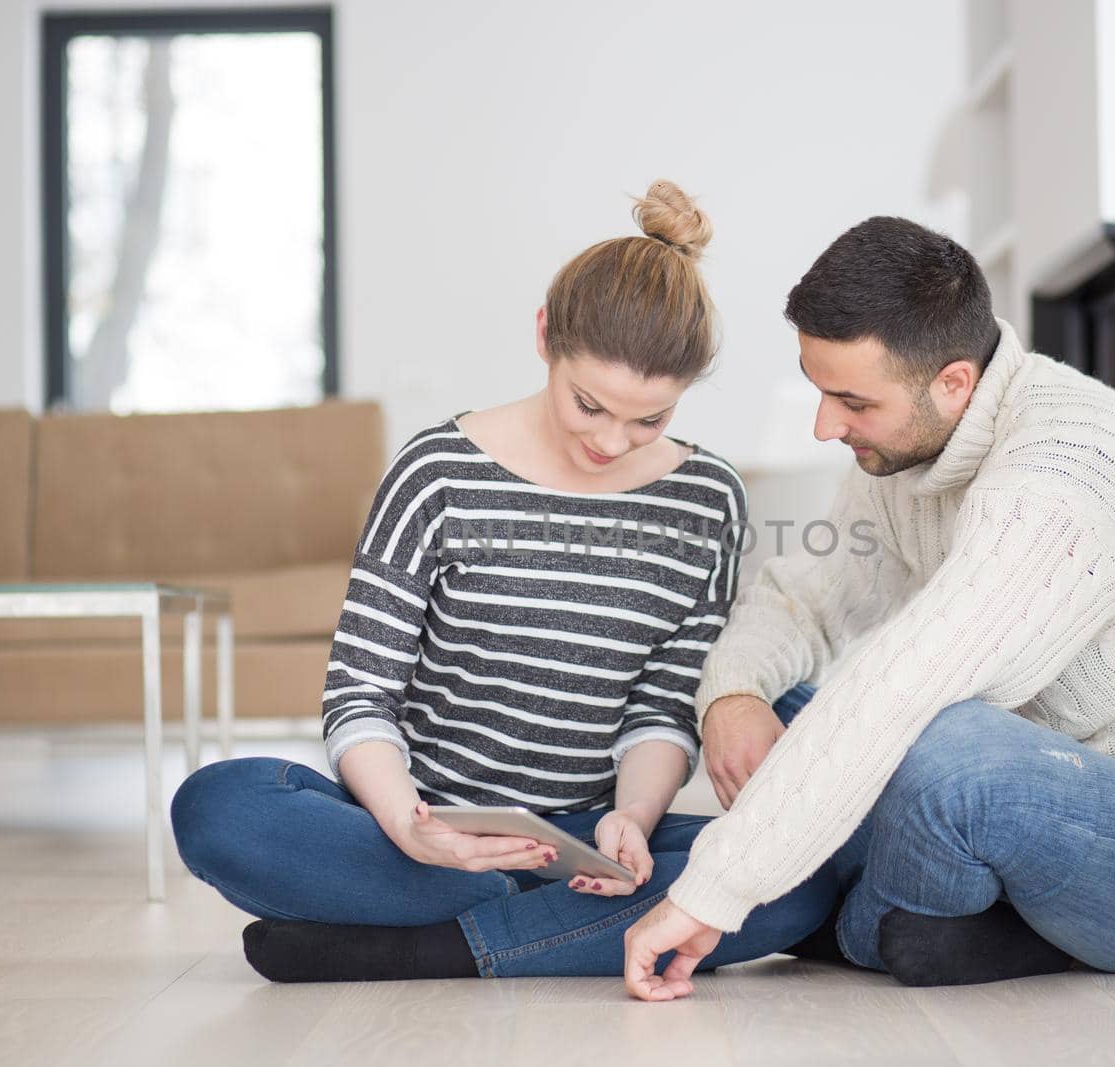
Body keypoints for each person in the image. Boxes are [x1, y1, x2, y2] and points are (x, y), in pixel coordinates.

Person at [620, 216, 1115, 1001]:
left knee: (944, 751)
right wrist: (734, 694)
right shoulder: (907, 448)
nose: (826, 425)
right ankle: (892, 909)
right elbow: (803, 599)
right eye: (819, 390)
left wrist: (712, 891)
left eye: (850, 399)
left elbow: (900, 692)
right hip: (1042, 792)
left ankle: (851, 922)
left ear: (952, 382)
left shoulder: (1056, 482)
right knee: (780, 699)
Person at [169, 181, 835, 982]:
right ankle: (532, 926)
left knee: (801, 875)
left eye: (648, 419)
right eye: (589, 404)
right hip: (422, 824)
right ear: (546, 334)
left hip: (592, 836)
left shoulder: (707, 498)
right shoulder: (436, 472)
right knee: (217, 806)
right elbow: (358, 696)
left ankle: (426, 947)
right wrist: (412, 828)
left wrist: (631, 816)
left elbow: (663, 703)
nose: (611, 440)